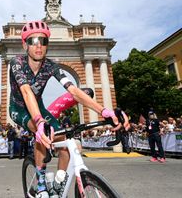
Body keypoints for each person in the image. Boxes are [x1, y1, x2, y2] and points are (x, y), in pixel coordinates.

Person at [9, 20, 129, 197]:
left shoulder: (50, 66)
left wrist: (104, 111)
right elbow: (26, 92)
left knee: (64, 143)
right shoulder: (16, 62)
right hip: (19, 108)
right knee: (40, 131)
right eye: (33, 41)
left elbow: (73, 91)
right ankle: (41, 182)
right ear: (24, 45)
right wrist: (39, 121)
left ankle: (59, 183)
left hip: (39, 106)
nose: (39, 46)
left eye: (43, 41)